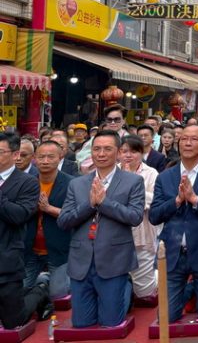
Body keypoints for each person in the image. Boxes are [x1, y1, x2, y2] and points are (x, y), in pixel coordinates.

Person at [57, 130, 145, 328]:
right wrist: (90, 205)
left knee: (110, 323)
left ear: (119, 152)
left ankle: (125, 290)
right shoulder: (77, 183)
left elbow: (135, 217)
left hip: (114, 258)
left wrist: (105, 203)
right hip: (81, 260)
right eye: (96, 149)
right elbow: (64, 221)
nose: (101, 154)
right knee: (81, 324)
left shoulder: (133, 181)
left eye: (107, 149)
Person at [149, 125, 198, 323]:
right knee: (165, 320)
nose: (187, 143)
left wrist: (195, 199)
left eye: (194, 139)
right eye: (184, 138)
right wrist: (176, 201)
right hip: (173, 251)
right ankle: (186, 295)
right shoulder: (165, 176)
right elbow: (154, 216)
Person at [0, 133, 52, 329]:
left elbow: (19, 215)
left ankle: (41, 291)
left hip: (8, 257)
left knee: (14, 320)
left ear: (15, 155)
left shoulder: (27, 182)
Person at [24, 140, 72, 299]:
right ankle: (42, 282)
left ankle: (44, 282)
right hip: (29, 247)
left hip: (58, 247)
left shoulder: (72, 183)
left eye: (50, 157)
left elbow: (76, 214)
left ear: (60, 157)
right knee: (21, 290)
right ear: (34, 159)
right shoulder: (26, 182)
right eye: (41, 157)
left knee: (58, 295)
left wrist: (49, 209)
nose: (45, 161)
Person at [119, 135, 160, 301]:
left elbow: (154, 200)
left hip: (143, 232)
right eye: (124, 151)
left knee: (143, 292)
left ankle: (159, 276)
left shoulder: (151, 173)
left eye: (134, 151)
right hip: (117, 232)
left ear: (142, 153)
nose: (128, 155)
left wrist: (131, 184)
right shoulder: (112, 171)